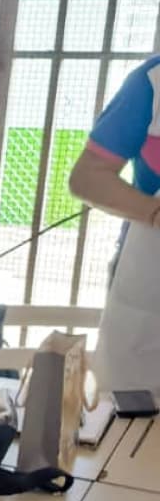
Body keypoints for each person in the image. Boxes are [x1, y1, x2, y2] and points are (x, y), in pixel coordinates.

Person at [69, 53, 160, 393]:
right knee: (134, 415)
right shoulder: (152, 82)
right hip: (150, 280)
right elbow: (86, 178)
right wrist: (154, 212)